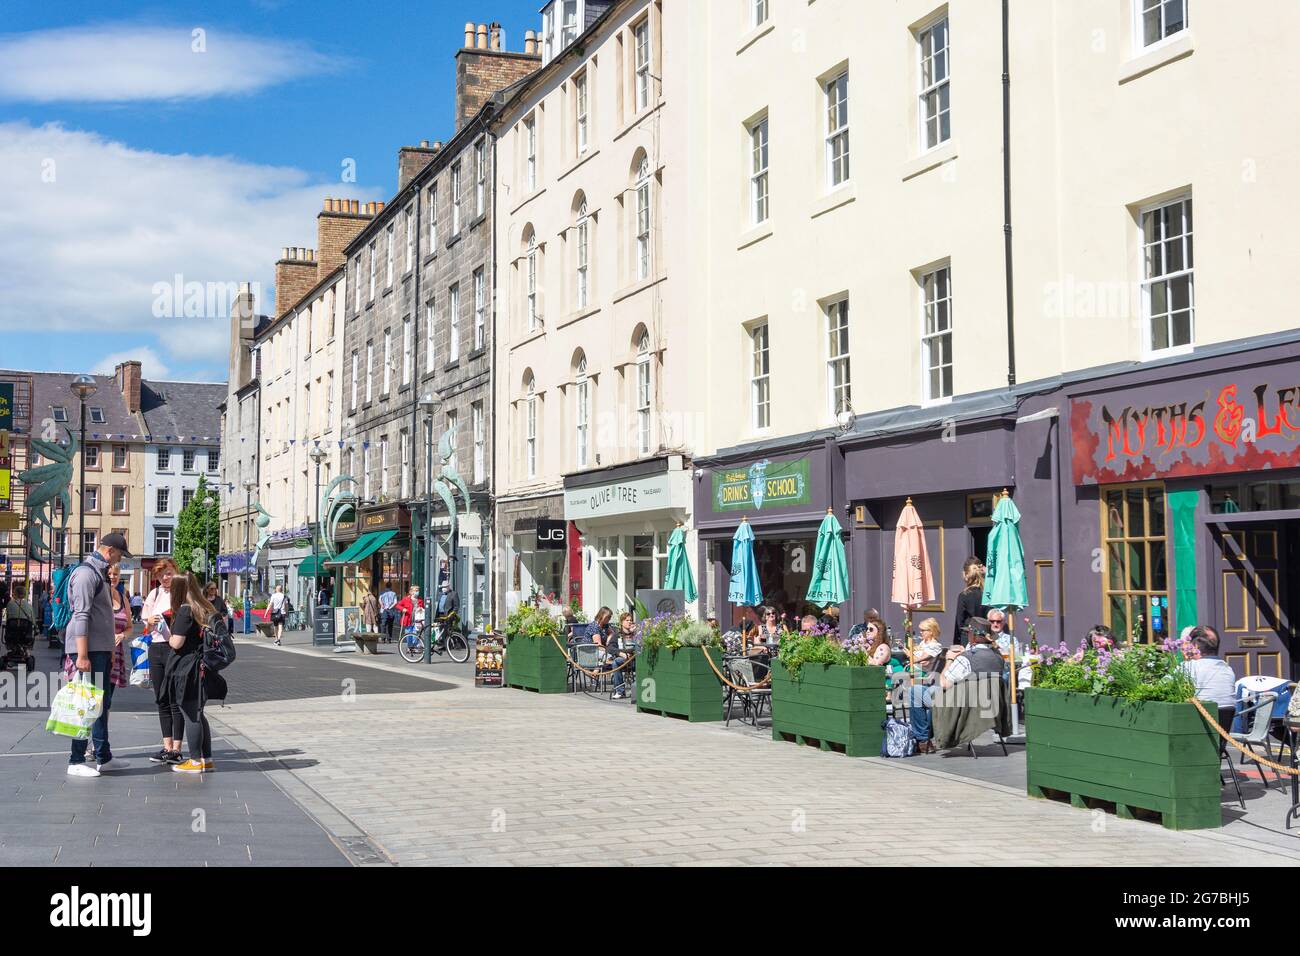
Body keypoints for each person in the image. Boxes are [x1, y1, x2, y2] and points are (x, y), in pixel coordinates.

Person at [64, 532, 133, 777]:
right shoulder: (86, 573)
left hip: (100, 649)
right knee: (85, 704)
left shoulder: (99, 574)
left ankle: (103, 757)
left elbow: (103, 617)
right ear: (110, 551)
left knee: (100, 704)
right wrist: (82, 655)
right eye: (120, 555)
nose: (120, 560)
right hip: (88, 650)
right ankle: (75, 759)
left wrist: (109, 650)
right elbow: (81, 615)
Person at [909, 623, 1005, 754]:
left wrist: (949, 659)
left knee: (916, 692)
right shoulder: (998, 657)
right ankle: (924, 739)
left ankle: (923, 741)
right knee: (924, 691)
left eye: (969, 633)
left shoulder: (966, 658)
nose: (967, 635)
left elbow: (944, 683)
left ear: (975, 636)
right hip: (988, 705)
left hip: (962, 706)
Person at [165, 574, 217, 774]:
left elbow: (176, 643)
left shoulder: (185, 611)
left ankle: (195, 761)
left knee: (190, 713)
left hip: (187, 668)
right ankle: (207, 759)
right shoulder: (201, 608)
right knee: (198, 713)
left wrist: (166, 633)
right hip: (200, 666)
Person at [141, 558, 183, 765]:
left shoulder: (182, 593)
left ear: (175, 571)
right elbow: (145, 620)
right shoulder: (154, 593)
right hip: (156, 647)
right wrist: (149, 621)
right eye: (161, 574)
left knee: (175, 698)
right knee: (161, 697)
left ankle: (177, 748)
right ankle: (167, 746)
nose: (165, 578)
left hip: (174, 647)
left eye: (168, 573)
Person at [1181, 625, 1236, 709]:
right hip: (1225, 720)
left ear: (1195, 646)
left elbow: (1161, 686)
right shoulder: (1227, 669)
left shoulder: (1189, 667)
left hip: (1200, 719)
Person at [953, 557, 989, 645]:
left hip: (968, 638)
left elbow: (959, 622)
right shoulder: (987, 594)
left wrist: (956, 642)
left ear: (965, 575)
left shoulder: (964, 595)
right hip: (985, 638)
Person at [604, 611, 636, 700]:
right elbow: (610, 648)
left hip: (635, 660)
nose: (630, 622)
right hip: (623, 660)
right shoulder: (617, 635)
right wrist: (620, 653)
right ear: (622, 622)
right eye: (627, 620)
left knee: (616, 661)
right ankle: (620, 691)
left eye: (631, 620)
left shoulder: (636, 634)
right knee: (616, 662)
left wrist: (635, 634)